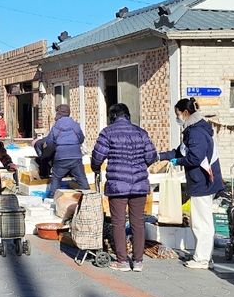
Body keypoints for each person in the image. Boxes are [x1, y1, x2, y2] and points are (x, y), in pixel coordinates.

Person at [91, 104, 158, 272]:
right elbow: (151, 156)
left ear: (112, 117)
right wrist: (140, 166)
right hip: (139, 184)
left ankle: (121, 261)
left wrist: (95, 167)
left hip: (117, 185)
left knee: (118, 223)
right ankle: (138, 261)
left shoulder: (107, 132)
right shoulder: (141, 132)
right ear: (128, 116)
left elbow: (97, 156)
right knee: (138, 222)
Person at [159, 97, 223, 270]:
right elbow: (180, 151)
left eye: (177, 114)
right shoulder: (193, 130)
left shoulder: (196, 132)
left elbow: (195, 157)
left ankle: (202, 258)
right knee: (200, 220)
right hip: (200, 181)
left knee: (201, 222)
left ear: (185, 113)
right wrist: (161, 157)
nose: (177, 117)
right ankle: (201, 255)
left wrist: (176, 162)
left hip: (203, 181)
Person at [46, 104, 89, 197]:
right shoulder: (75, 125)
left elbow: (49, 143)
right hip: (75, 157)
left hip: (61, 157)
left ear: (58, 113)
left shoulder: (56, 127)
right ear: (69, 113)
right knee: (82, 180)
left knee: (56, 179)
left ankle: (52, 199)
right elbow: (81, 139)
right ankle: (88, 199)